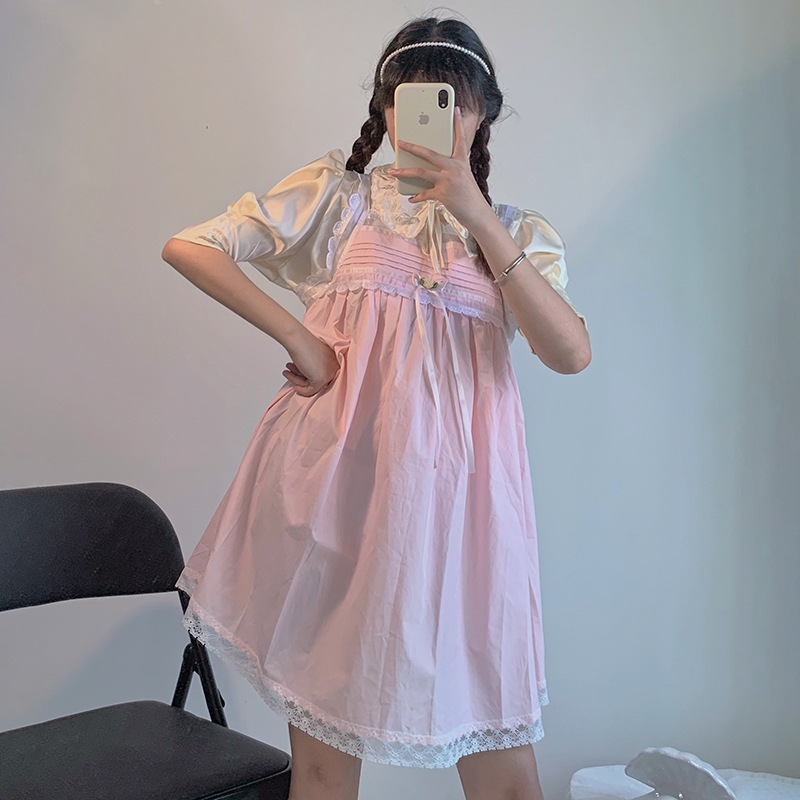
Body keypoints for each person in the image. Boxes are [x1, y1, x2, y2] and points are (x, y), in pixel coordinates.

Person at [162, 14, 590, 800]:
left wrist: (475, 213)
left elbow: (569, 352)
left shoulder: (514, 234)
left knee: (505, 774)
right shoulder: (340, 204)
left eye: (453, 102)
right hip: (339, 508)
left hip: (467, 527)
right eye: (411, 100)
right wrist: (303, 337)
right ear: (386, 109)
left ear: (483, 113)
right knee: (324, 770)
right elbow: (191, 245)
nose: (432, 119)